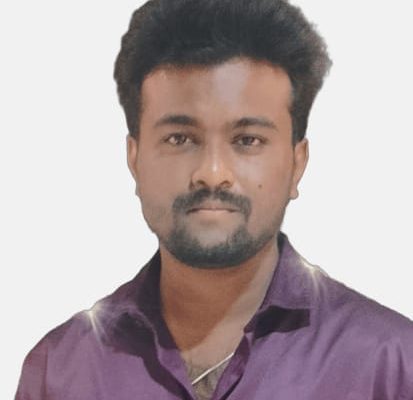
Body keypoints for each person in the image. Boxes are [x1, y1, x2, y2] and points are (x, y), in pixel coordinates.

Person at [15, 0, 413, 399]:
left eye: (248, 140)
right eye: (179, 139)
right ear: (134, 159)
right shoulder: (62, 370)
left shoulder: (390, 365)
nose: (212, 172)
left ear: (297, 163)